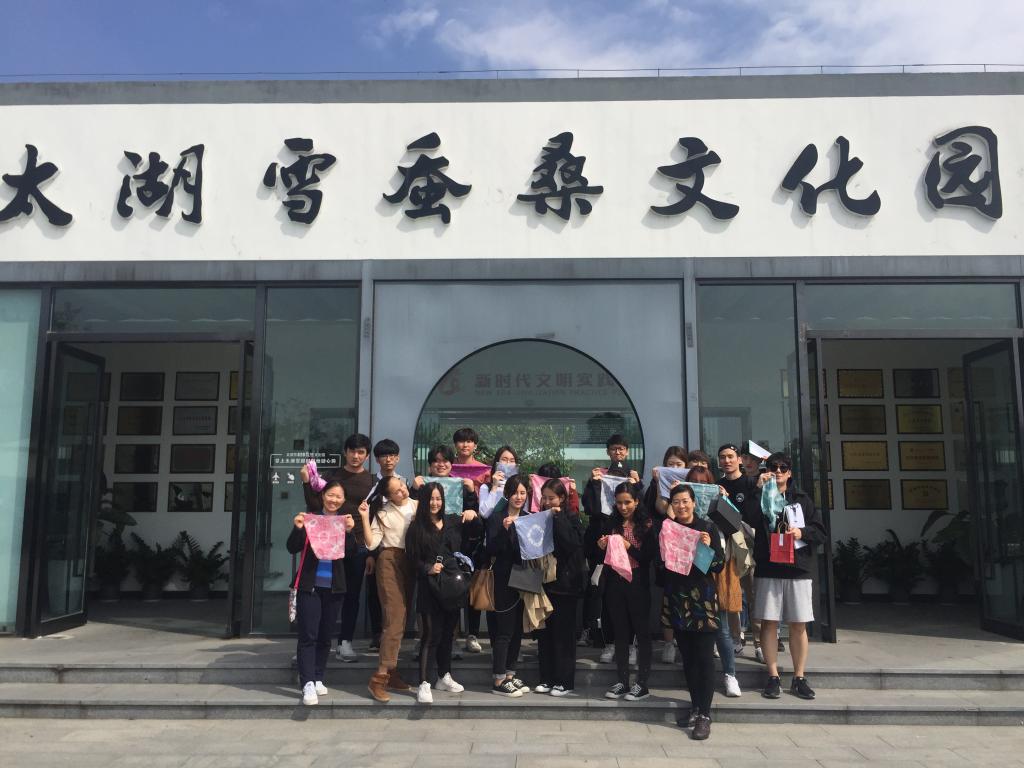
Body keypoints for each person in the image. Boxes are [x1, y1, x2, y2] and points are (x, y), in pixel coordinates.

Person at [745, 451, 826, 701]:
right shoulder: (760, 494)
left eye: (783, 468)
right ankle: (773, 676)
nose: (777, 471)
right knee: (769, 622)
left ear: (789, 472)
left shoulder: (801, 499)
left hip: (797, 567)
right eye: (773, 467)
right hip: (769, 565)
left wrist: (801, 533)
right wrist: (757, 490)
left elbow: (820, 532)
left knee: (798, 624)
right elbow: (747, 518)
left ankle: (799, 677)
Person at [300, 433, 375, 664]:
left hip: (356, 544)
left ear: (367, 455)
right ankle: (313, 643)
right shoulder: (332, 476)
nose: (356, 456)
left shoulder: (371, 481)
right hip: (326, 542)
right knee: (320, 593)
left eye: (361, 452)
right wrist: (306, 482)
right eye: (352, 451)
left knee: (351, 594)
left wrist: (371, 552)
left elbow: (374, 517)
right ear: (345, 452)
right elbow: (315, 504)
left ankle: (345, 642)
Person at [404, 481, 477, 704]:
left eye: (438, 498)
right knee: (430, 635)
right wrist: (427, 568)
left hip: (452, 586)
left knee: (448, 634)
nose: (434, 503)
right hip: (429, 587)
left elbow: (475, 533)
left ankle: (444, 676)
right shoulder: (416, 527)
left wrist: (473, 512)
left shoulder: (453, 522)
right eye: (430, 499)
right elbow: (411, 559)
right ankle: (424, 683)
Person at [663, 484, 726, 740]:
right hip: (678, 598)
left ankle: (705, 715)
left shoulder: (707, 528)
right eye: (676, 502)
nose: (681, 506)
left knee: (704, 658)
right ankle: (695, 706)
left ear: (693, 502)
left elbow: (718, 566)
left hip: (702, 600)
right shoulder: (668, 529)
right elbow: (662, 565)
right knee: (688, 658)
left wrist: (706, 548)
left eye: (685, 501)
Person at [287, 479, 356, 706]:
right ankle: (307, 682)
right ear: (323, 495)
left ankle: (317, 677)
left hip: (334, 588)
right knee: (308, 635)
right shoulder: (311, 519)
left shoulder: (343, 522)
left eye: (338, 496)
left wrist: (350, 532)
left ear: (343, 500)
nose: (334, 499)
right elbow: (292, 547)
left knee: (325, 636)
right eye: (330, 495)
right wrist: (298, 528)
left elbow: (352, 553)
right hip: (310, 587)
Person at [414, 443, 484, 656]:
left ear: (451, 464)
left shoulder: (460, 485)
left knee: (452, 595)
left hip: (452, 549)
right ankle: (424, 642)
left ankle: (450, 643)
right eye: (436, 461)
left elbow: (473, 517)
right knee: (426, 599)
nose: (441, 464)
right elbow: (411, 511)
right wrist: (414, 489)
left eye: (445, 460)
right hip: (427, 549)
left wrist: (470, 495)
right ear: (430, 465)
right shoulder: (422, 485)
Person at [583, 435, 642, 663]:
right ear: (608, 451)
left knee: (632, 600)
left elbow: (644, 510)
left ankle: (631, 645)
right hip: (603, 542)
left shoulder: (633, 477)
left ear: (626, 451)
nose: (618, 452)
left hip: (631, 549)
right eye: (614, 449)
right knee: (604, 595)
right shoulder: (600, 475)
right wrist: (594, 483)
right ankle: (606, 642)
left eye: (621, 449)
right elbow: (590, 507)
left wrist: (638, 484)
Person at [358, 474, 417, 703]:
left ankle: (391, 672)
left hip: (410, 563)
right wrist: (365, 518)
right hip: (389, 561)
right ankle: (379, 677)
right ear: (388, 497)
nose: (402, 490)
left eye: (401, 485)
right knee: (394, 617)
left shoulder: (418, 506)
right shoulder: (383, 514)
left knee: (401, 619)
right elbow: (372, 543)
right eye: (396, 491)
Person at [599, 482, 656, 701]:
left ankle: (642, 683)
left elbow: (648, 557)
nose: (623, 507)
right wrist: (602, 545)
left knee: (642, 632)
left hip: (638, 582)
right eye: (619, 502)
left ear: (637, 502)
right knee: (620, 632)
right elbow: (602, 555)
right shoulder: (611, 522)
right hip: (615, 581)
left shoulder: (646, 524)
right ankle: (622, 680)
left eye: (628, 502)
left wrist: (628, 546)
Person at [689, 464, 742, 698]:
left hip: (715, 570)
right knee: (693, 629)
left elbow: (735, 524)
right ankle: (697, 677)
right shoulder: (682, 506)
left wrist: (724, 500)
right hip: (689, 573)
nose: (699, 487)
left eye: (703, 483)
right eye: (693, 482)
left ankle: (730, 675)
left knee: (721, 629)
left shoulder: (718, 499)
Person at [534, 478, 586, 696]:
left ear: (562, 498)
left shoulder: (572, 517)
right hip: (544, 584)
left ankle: (564, 681)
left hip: (566, 585)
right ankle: (546, 678)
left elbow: (571, 543)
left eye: (552, 498)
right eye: (544, 498)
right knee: (545, 635)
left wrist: (558, 518)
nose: (547, 502)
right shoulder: (539, 518)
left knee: (564, 636)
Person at [485, 474, 531, 697]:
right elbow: (491, 549)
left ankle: (510, 675)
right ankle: (498, 678)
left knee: (517, 629)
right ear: (507, 494)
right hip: (503, 579)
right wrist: (504, 531)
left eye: (522, 493)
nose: (519, 497)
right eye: (514, 493)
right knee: (504, 630)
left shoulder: (530, 518)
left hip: (525, 577)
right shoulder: (497, 517)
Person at [717, 443, 761, 661]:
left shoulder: (751, 483)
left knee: (753, 595)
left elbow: (755, 515)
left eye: (730, 456)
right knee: (732, 594)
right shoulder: (717, 486)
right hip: (727, 547)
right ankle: (736, 639)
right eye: (723, 457)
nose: (727, 461)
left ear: (739, 460)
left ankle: (760, 643)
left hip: (748, 546)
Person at [646, 446, 688, 664]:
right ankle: (669, 643)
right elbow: (662, 510)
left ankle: (687, 641)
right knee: (668, 596)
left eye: (679, 465)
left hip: (689, 546)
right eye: (670, 465)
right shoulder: (658, 484)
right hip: (667, 548)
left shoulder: (692, 483)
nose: (674, 468)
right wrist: (660, 485)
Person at [364, 438, 405, 653]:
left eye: (392, 455)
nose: (388, 459)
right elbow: (367, 517)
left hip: (400, 547)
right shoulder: (371, 484)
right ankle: (377, 635)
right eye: (383, 456)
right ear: (377, 459)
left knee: (399, 594)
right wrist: (369, 554)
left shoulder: (405, 483)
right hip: (377, 548)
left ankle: (396, 635)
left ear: (398, 458)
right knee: (375, 593)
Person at [479, 445, 518, 520]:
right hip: (493, 527)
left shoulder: (520, 488)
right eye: (504, 460)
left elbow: (523, 515)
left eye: (512, 461)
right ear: (497, 462)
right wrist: (494, 486)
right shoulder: (485, 487)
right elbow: (485, 514)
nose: (508, 463)